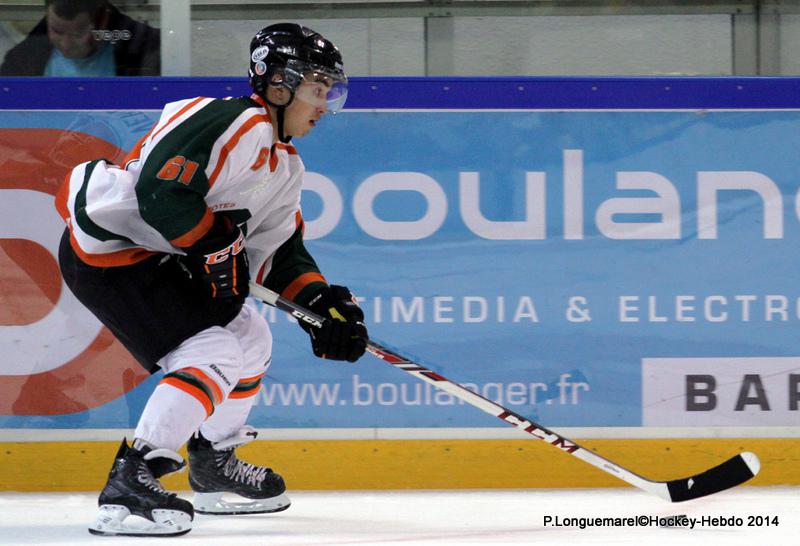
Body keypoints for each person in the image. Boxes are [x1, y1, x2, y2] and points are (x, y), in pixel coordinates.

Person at [56, 23, 368, 537]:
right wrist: (213, 242)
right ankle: (133, 478)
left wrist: (322, 307)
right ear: (278, 84)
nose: (324, 103)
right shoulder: (231, 120)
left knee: (250, 337)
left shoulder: (285, 166)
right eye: (317, 88)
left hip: (163, 257)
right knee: (212, 354)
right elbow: (161, 191)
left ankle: (212, 462)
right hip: (112, 254)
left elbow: (279, 255)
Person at [0, 0, 159, 76]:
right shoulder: (21, 59)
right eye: (56, 31)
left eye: (77, 34)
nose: (66, 44)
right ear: (47, 18)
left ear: (102, 22)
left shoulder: (143, 50)